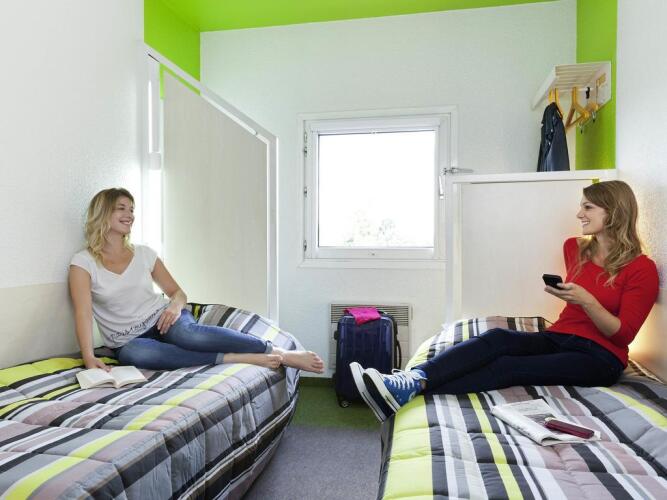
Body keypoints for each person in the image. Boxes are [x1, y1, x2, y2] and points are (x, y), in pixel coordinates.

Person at [351, 180, 659, 422]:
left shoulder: (641, 268)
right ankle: (413, 379)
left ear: (614, 212)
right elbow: (578, 305)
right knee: (497, 338)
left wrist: (588, 301)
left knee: (510, 367)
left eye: (588, 207)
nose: (579, 214)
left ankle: (408, 393)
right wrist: (570, 297)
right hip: (560, 336)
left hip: (600, 358)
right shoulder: (575, 249)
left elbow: (622, 335)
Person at [69, 187, 324, 373]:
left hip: (164, 319)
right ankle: (234, 358)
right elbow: (83, 313)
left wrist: (174, 307)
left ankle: (277, 351)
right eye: (121, 208)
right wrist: (89, 358)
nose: (130, 215)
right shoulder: (83, 263)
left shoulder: (144, 254)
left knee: (189, 336)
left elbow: (178, 293)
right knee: (136, 355)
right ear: (103, 213)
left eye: (132, 209)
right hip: (128, 340)